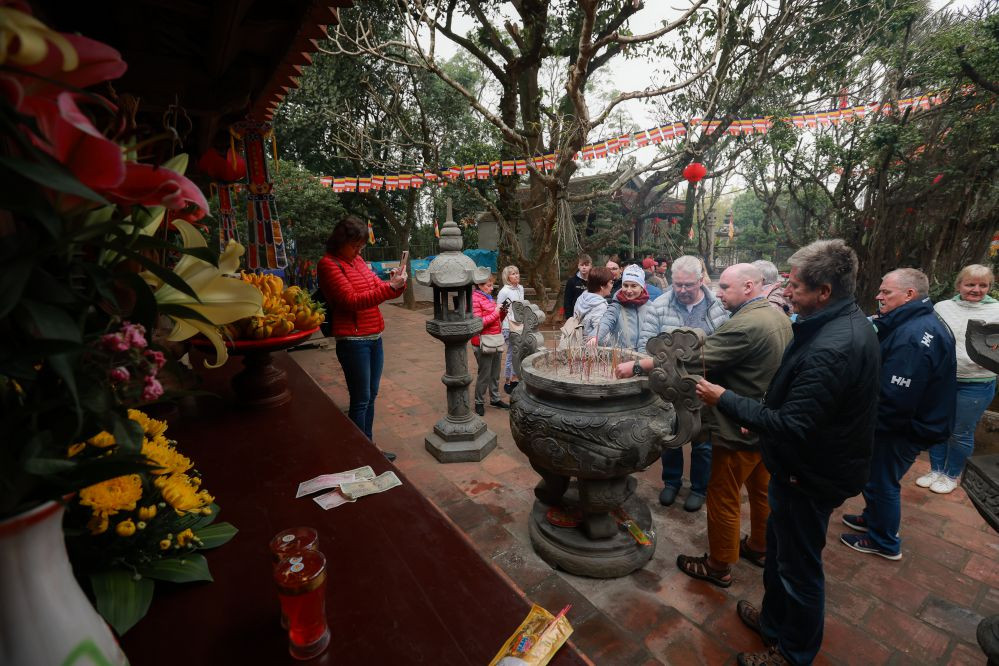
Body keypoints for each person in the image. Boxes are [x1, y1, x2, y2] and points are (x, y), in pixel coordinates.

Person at [695, 239, 879, 666]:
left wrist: (727, 399)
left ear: (824, 291)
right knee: (778, 552)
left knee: (800, 570)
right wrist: (762, 413)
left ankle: (793, 654)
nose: (786, 292)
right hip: (799, 463)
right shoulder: (829, 324)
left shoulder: (836, 345)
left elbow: (796, 425)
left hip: (811, 473)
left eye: (795, 286)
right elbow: (803, 406)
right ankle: (774, 622)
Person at [670, 264, 792, 588]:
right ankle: (760, 547)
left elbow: (696, 360)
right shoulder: (778, 316)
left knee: (723, 495)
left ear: (749, 286)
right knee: (762, 492)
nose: (719, 293)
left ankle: (718, 564)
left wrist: (643, 363)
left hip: (739, 424)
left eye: (724, 287)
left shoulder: (747, 324)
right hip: (765, 421)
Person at [839, 268, 956, 561]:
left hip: (903, 428)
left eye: (885, 292)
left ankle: (884, 541)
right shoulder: (914, 321)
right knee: (877, 477)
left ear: (909, 295)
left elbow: (896, 399)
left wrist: (867, 428)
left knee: (881, 481)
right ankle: (873, 518)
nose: (878, 296)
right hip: (912, 422)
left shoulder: (914, 336)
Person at [637, 255, 729, 511]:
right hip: (670, 386)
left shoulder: (718, 308)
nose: (682, 290)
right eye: (677, 284)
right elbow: (648, 346)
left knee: (702, 442)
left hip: (704, 387)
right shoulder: (660, 305)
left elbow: (727, 349)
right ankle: (671, 482)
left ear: (701, 281)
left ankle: (699, 488)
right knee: (671, 438)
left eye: (688, 285)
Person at [318, 215, 406, 460]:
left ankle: (367, 445)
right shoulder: (329, 264)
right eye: (355, 244)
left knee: (371, 395)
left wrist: (395, 283)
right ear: (340, 241)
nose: (358, 249)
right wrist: (387, 289)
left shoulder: (357, 261)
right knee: (360, 399)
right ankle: (359, 452)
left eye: (361, 245)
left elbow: (375, 288)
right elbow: (350, 301)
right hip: (353, 341)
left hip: (374, 335)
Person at [920, 264, 999, 493]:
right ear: (959, 285)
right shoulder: (943, 307)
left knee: (961, 431)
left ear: (989, 287)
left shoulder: (996, 310)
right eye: (970, 284)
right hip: (943, 379)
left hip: (977, 381)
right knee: (938, 426)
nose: (976, 289)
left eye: (983, 285)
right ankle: (935, 469)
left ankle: (951, 474)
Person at [471, 273, 510, 416]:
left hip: (495, 340)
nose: (491, 288)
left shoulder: (488, 298)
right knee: (484, 374)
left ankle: (495, 398)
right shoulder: (475, 299)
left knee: (495, 373)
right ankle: (479, 402)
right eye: (488, 285)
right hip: (483, 342)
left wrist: (502, 312)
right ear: (479, 286)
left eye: (492, 285)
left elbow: (495, 320)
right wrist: (495, 312)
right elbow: (479, 323)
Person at [590, 265, 654, 351]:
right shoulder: (616, 306)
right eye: (625, 285)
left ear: (642, 287)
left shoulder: (651, 307)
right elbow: (605, 322)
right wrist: (595, 337)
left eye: (634, 286)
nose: (629, 290)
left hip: (645, 358)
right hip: (623, 358)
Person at [497, 265, 528, 394]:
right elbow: (499, 309)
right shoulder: (504, 291)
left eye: (517, 273)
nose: (516, 275)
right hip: (507, 326)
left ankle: (515, 378)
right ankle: (508, 380)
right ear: (507, 277)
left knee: (519, 352)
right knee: (511, 353)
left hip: (519, 325)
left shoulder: (520, 288)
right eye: (513, 274)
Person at [574, 266, 611, 341]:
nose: (612, 285)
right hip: (593, 349)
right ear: (602, 287)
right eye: (611, 282)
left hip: (578, 343)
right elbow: (602, 335)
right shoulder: (599, 305)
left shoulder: (582, 298)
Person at [563, 254, 591, 319]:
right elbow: (567, 301)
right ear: (578, 266)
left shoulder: (594, 281)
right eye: (582, 265)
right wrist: (569, 317)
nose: (584, 267)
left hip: (590, 316)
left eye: (586, 265)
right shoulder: (572, 281)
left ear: (590, 266)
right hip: (575, 316)